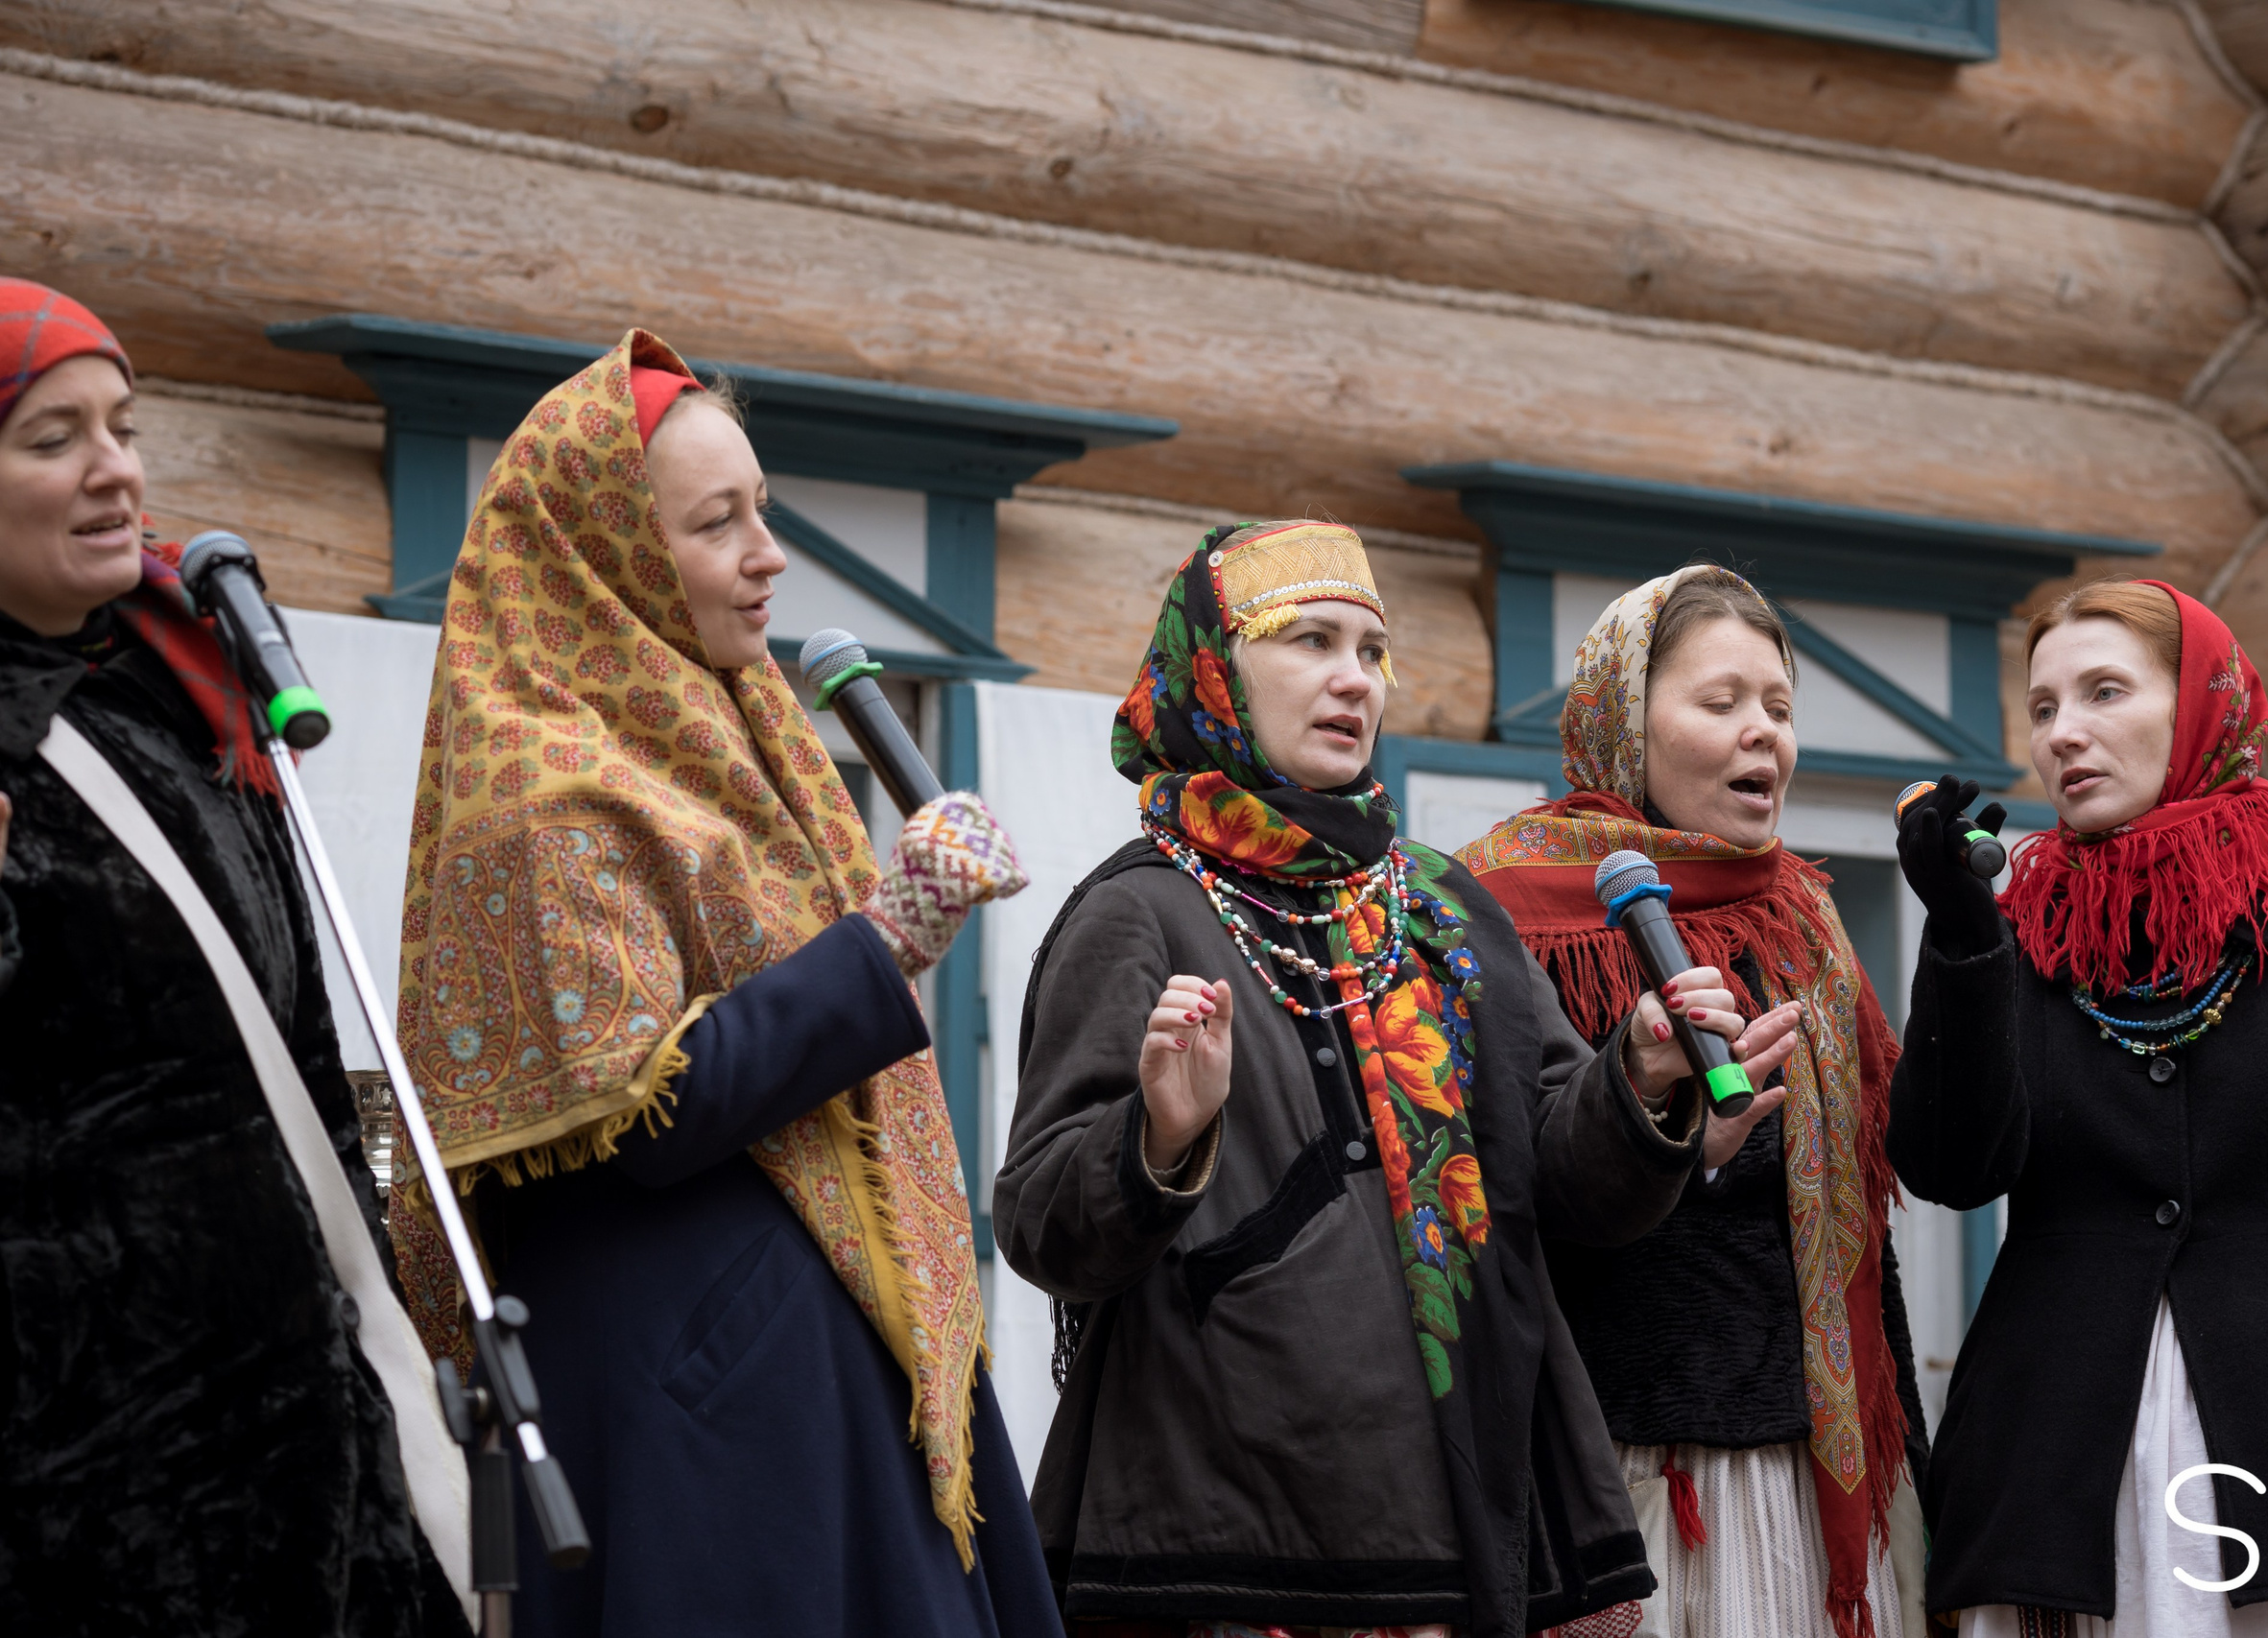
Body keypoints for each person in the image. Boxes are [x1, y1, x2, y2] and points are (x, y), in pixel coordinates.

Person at [996, 521, 1800, 1638]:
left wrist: (1640, 1074)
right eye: (1311, 641)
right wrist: (1159, 1140)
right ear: (1216, 670)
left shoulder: (1439, 906)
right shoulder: (1137, 912)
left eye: (1372, 652)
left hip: (1462, 1498)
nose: (1352, 679)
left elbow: (1567, 1186)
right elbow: (1041, 1226)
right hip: (1230, 1522)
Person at [388, 328, 1060, 1636]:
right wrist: (893, 933)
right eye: (719, 522)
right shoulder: (544, 788)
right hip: (692, 1419)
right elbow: (650, 1102)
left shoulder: (750, 745)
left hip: (821, 1386)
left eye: (763, 508)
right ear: (610, 554)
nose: (770, 553)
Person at [0, 277, 468, 1633]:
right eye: (52, 438)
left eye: (124, 427)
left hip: (319, 1436)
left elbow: (313, 1054)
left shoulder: (173, 696)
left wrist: (401, 1304)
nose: (114, 469)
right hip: (93, 1490)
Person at [1891, 579, 2268, 1638]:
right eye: (2046, 706)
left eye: (2105, 691)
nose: (2067, 734)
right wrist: (1963, 938)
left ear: (2201, 705)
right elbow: (1949, 1170)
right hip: (2051, 1482)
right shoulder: (2011, 943)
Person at [1455, 565, 1927, 1638]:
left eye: (1778, 707)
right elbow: (1497, 1206)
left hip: (1808, 1476)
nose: (1761, 733)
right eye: (1720, 704)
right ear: (1625, 719)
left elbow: (1864, 1239)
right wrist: (1675, 1136)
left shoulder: (1802, 918)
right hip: (1619, 1470)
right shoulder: (1502, 910)